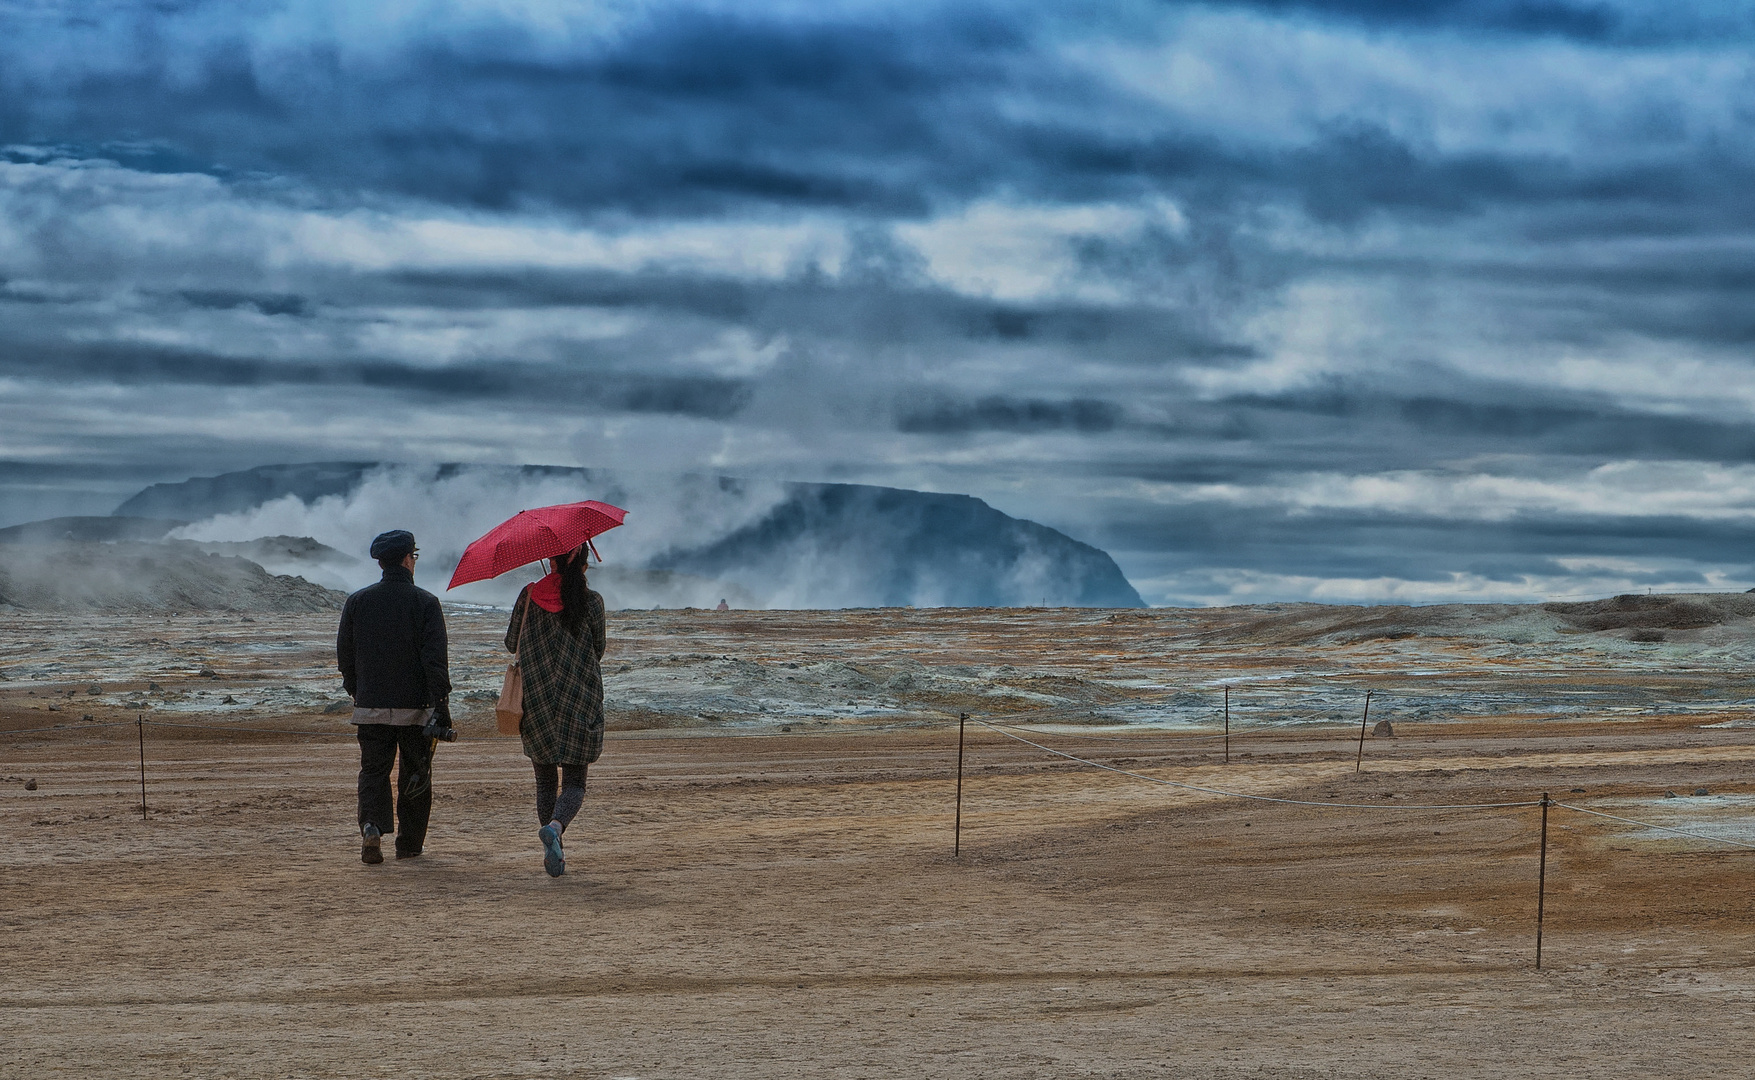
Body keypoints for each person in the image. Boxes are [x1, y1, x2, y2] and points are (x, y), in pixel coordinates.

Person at [337, 529, 452, 864]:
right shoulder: (427, 603)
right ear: (407, 560)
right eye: (414, 556)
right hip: (416, 709)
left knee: (373, 771)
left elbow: (345, 655)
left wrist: (358, 691)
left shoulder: (357, 601)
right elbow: (434, 661)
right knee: (416, 772)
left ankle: (372, 826)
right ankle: (409, 845)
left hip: (370, 706)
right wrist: (441, 706)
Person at [506, 543, 607, 877]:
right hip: (580, 699)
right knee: (575, 782)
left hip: (536, 700)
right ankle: (556, 827)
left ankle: (553, 844)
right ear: (583, 565)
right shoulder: (591, 601)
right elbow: (599, 648)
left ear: (550, 561)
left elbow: (511, 643)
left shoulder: (529, 594)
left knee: (545, 781)